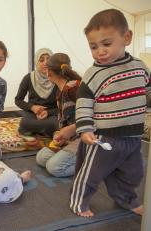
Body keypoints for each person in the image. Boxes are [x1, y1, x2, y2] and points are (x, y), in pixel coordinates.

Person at [70, 9, 150, 218]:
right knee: (91, 174)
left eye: (106, 44)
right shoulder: (94, 73)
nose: (100, 52)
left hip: (133, 137)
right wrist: (85, 128)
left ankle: (126, 199)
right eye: (93, 47)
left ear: (127, 38)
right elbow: (83, 103)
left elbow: (148, 90)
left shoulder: (140, 66)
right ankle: (79, 202)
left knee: (133, 174)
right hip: (104, 138)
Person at [36, 53, 81, 177]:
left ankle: (92, 162)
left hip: (84, 137)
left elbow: (95, 117)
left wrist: (71, 130)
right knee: (41, 158)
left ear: (49, 73)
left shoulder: (74, 89)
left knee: (54, 168)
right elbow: (65, 119)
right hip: (70, 137)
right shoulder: (60, 91)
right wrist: (60, 134)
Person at [15, 48, 58, 137]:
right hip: (32, 113)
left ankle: (37, 130)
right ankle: (44, 131)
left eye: (48, 59)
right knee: (25, 123)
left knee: (54, 123)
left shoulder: (57, 78)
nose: (45, 63)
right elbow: (18, 100)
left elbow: (63, 106)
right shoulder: (28, 78)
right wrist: (32, 107)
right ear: (36, 62)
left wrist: (48, 113)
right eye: (41, 60)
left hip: (52, 113)